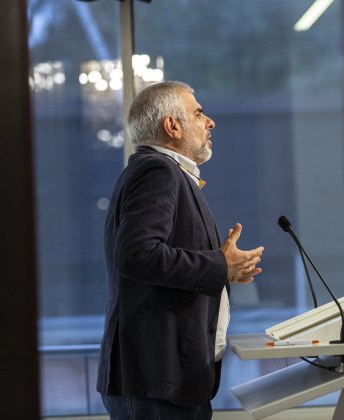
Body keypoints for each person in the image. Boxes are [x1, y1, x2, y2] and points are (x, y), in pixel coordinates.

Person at [96, 80, 264, 420]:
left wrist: (225, 268)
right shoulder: (158, 171)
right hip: (156, 379)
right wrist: (218, 265)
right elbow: (137, 255)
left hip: (167, 380)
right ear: (171, 126)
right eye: (198, 113)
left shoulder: (164, 172)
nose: (210, 121)